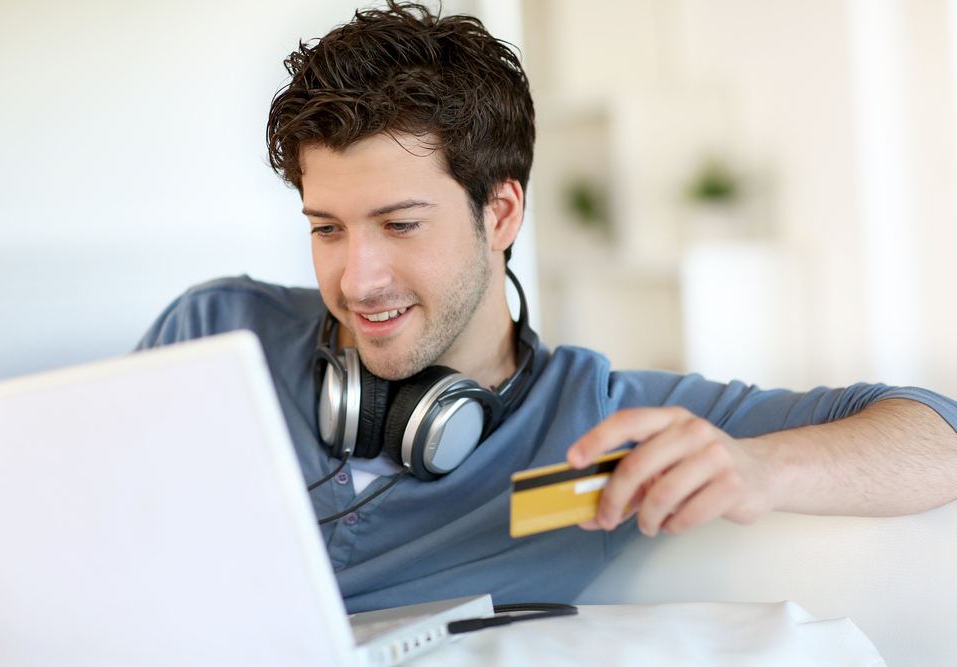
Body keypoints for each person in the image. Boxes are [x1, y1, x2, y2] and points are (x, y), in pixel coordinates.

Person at [136, 1, 957, 613]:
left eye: (400, 224)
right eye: (327, 228)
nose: (357, 279)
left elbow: (939, 434)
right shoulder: (215, 330)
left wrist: (764, 468)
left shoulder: (595, 422)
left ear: (500, 213)